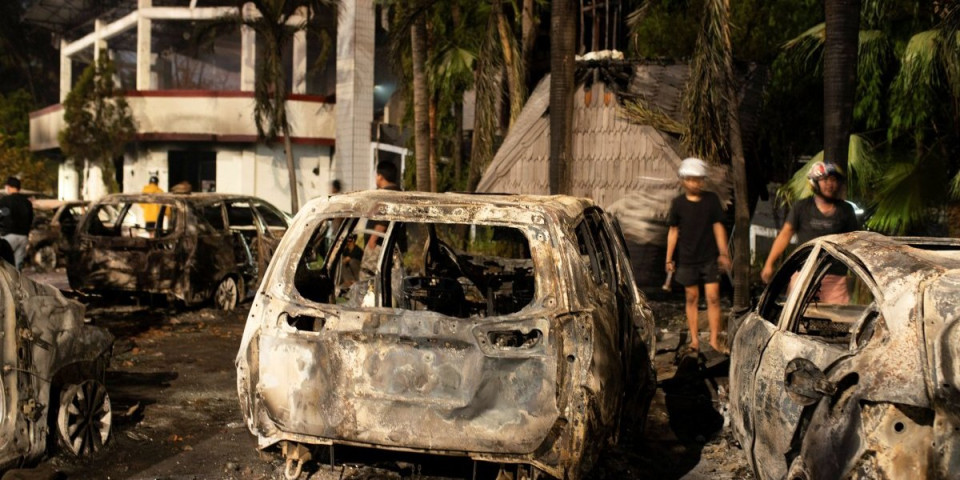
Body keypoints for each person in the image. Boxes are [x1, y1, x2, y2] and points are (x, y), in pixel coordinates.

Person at [761, 161, 859, 302]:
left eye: (833, 179)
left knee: (838, 319)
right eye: (825, 179)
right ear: (814, 182)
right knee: (796, 317)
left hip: (835, 277)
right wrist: (769, 263)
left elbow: (854, 241)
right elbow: (785, 235)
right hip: (804, 273)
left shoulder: (846, 210)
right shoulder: (801, 207)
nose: (830, 184)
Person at [665, 158, 731, 354]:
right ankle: (694, 340)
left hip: (709, 257)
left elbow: (718, 227)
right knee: (692, 297)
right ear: (683, 180)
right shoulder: (678, 204)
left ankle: (713, 340)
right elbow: (673, 231)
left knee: (713, 298)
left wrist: (723, 252)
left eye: (698, 179)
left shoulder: (711, 200)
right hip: (687, 258)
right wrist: (669, 258)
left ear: (703, 180)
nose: (694, 183)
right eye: (691, 179)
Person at [0, 177, 34, 269]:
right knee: (17, 267)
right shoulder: (27, 202)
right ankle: (16, 283)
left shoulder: (5, 201)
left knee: (4, 266)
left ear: (9, 187)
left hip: (8, 237)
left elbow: (2, 216)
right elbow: (31, 219)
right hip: (23, 237)